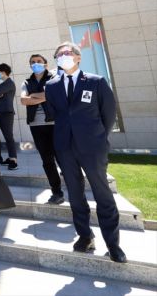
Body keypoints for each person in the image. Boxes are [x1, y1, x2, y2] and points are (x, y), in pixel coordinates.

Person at [45, 42, 125, 263]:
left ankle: (113, 244)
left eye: (67, 53)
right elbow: (54, 113)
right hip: (65, 147)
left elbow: (108, 115)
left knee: (102, 194)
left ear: (78, 57)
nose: (63, 56)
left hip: (93, 147)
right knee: (75, 194)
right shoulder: (51, 86)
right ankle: (85, 236)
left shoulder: (96, 81)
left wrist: (98, 138)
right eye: (59, 54)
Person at [20, 54, 64, 205]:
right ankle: (57, 192)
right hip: (36, 126)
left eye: (39, 62)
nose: (35, 64)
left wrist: (33, 95)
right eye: (32, 62)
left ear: (45, 64)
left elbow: (54, 94)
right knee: (47, 160)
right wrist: (44, 96)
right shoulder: (26, 81)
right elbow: (23, 100)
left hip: (54, 124)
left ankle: (75, 187)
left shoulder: (53, 78)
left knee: (62, 158)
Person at [0, 63, 18, 170]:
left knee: (9, 136)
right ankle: (10, 157)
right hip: (0, 112)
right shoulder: (1, 85)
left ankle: (14, 160)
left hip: (6, 113)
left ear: (3, 72)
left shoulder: (9, 83)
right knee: (6, 136)